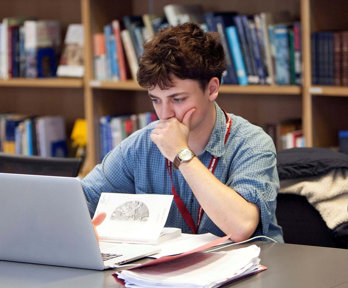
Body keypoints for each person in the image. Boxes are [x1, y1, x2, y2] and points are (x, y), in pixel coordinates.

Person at [82, 22, 283, 243]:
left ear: (212, 89)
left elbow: (241, 227)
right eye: (156, 100)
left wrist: (181, 154)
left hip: (247, 272)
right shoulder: (142, 144)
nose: (165, 114)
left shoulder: (252, 143)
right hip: (169, 274)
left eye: (177, 99)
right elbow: (82, 199)